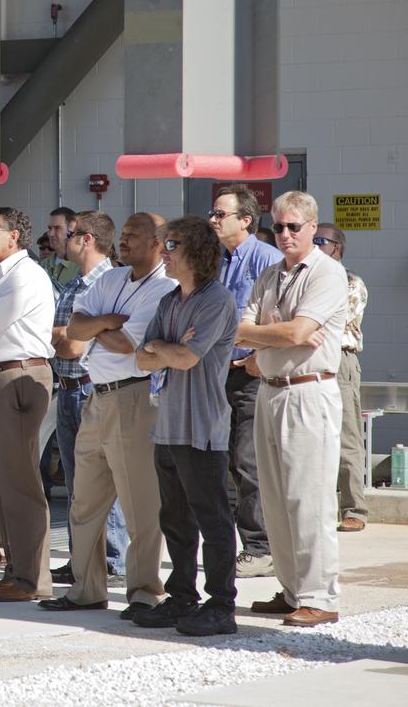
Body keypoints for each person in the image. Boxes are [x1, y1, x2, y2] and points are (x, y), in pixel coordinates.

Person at [39, 213, 174, 620]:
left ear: (157, 242)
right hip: (94, 397)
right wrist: (102, 325)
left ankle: (145, 591)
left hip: (133, 400)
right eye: (125, 234)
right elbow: (75, 331)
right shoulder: (111, 279)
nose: (126, 241)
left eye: (134, 236)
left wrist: (96, 329)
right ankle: (86, 588)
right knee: (84, 500)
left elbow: (126, 344)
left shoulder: (164, 288)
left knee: (139, 503)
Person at [237, 191, 349, 628]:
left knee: (308, 497)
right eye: (279, 226)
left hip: (308, 391)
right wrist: (276, 334)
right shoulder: (269, 275)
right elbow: (242, 329)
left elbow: (301, 331)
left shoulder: (327, 273)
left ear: (312, 227)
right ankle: (291, 589)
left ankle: (320, 595)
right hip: (269, 387)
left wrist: (269, 332)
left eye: (293, 227)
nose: (284, 234)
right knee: (275, 497)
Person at [133, 216, 240, 636]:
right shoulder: (170, 301)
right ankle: (182, 598)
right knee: (174, 519)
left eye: (171, 245)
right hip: (169, 424)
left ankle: (221, 605)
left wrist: (165, 348)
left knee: (211, 519)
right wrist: (164, 347)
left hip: (202, 427)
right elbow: (143, 358)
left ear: (195, 250)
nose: (164, 252)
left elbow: (186, 359)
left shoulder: (216, 301)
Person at [0, 208, 56, 603]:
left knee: (20, 482)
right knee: (2, 481)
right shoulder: (1, 274)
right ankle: (15, 569)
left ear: (14, 236)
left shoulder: (26, 275)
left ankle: (33, 577)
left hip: (19, 376)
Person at [49, 211, 129, 585]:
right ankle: (82, 556)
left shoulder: (109, 282)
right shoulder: (74, 283)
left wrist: (66, 336)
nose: (65, 238)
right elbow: (60, 338)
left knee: (103, 478)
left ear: (87, 239)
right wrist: (66, 336)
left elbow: (71, 346)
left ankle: (113, 558)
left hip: (89, 388)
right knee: (78, 482)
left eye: (71, 232)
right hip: (67, 391)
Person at [209, 184, 282, 579]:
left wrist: (259, 357)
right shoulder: (218, 261)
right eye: (213, 213)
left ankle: (260, 548)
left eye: (221, 214)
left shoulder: (267, 259)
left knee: (248, 463)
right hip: (219, 375)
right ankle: (233, 545)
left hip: (250, 375)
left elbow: (278, 318)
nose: (213, 220)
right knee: (222, 463)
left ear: (246, 220)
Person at [315, 223, 368, 532]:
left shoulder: (350, 283)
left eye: (320, 241)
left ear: (337, 248)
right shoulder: (303, 279)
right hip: (307, 362)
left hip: (339, 359)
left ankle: (355, 509)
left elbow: (327, 321)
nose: (315, 245)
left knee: (346, 435)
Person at [42, 208, 81, 292]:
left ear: (71, 230)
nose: (51, 234)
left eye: (57, 228)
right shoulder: (44, 264)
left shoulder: (81, 266)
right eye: (50, 228)